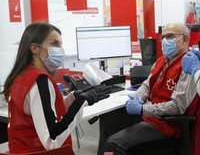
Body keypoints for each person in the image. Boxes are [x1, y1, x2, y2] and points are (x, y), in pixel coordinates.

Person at [1, 23, 110, 154]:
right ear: (35, 48)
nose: (61, 50)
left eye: (61, 44)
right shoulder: (40, 80)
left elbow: (38, 113)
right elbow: (51, 140)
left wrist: (72, 98)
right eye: (55, 44)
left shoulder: (22, 75)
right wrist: (81, 103)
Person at [98, 23, 199, 155]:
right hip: (150, 117)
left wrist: (142, 109)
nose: (164, 41)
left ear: (185, 39)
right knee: (108, 120)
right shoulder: (162, 61)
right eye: (163, 37)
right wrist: (138, 97)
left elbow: (177, 106)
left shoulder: (189, 66)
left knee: (114, 143)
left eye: (170, 36)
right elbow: (147, 85)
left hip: (167, 125)